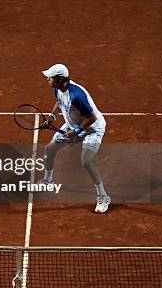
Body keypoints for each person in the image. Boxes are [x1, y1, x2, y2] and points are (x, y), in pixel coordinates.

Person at [40, 64, 110, 213]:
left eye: (50, 77)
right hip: (74, 126)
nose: (47, 79)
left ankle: (103, 197)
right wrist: (52, 117)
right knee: (50, 149)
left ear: (59, 79)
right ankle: (48, 180)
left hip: (92, 129)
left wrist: (77, 132)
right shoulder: (59, 89)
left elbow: (92, 117)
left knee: (87, 161)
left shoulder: (77, 95)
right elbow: (59, 103)